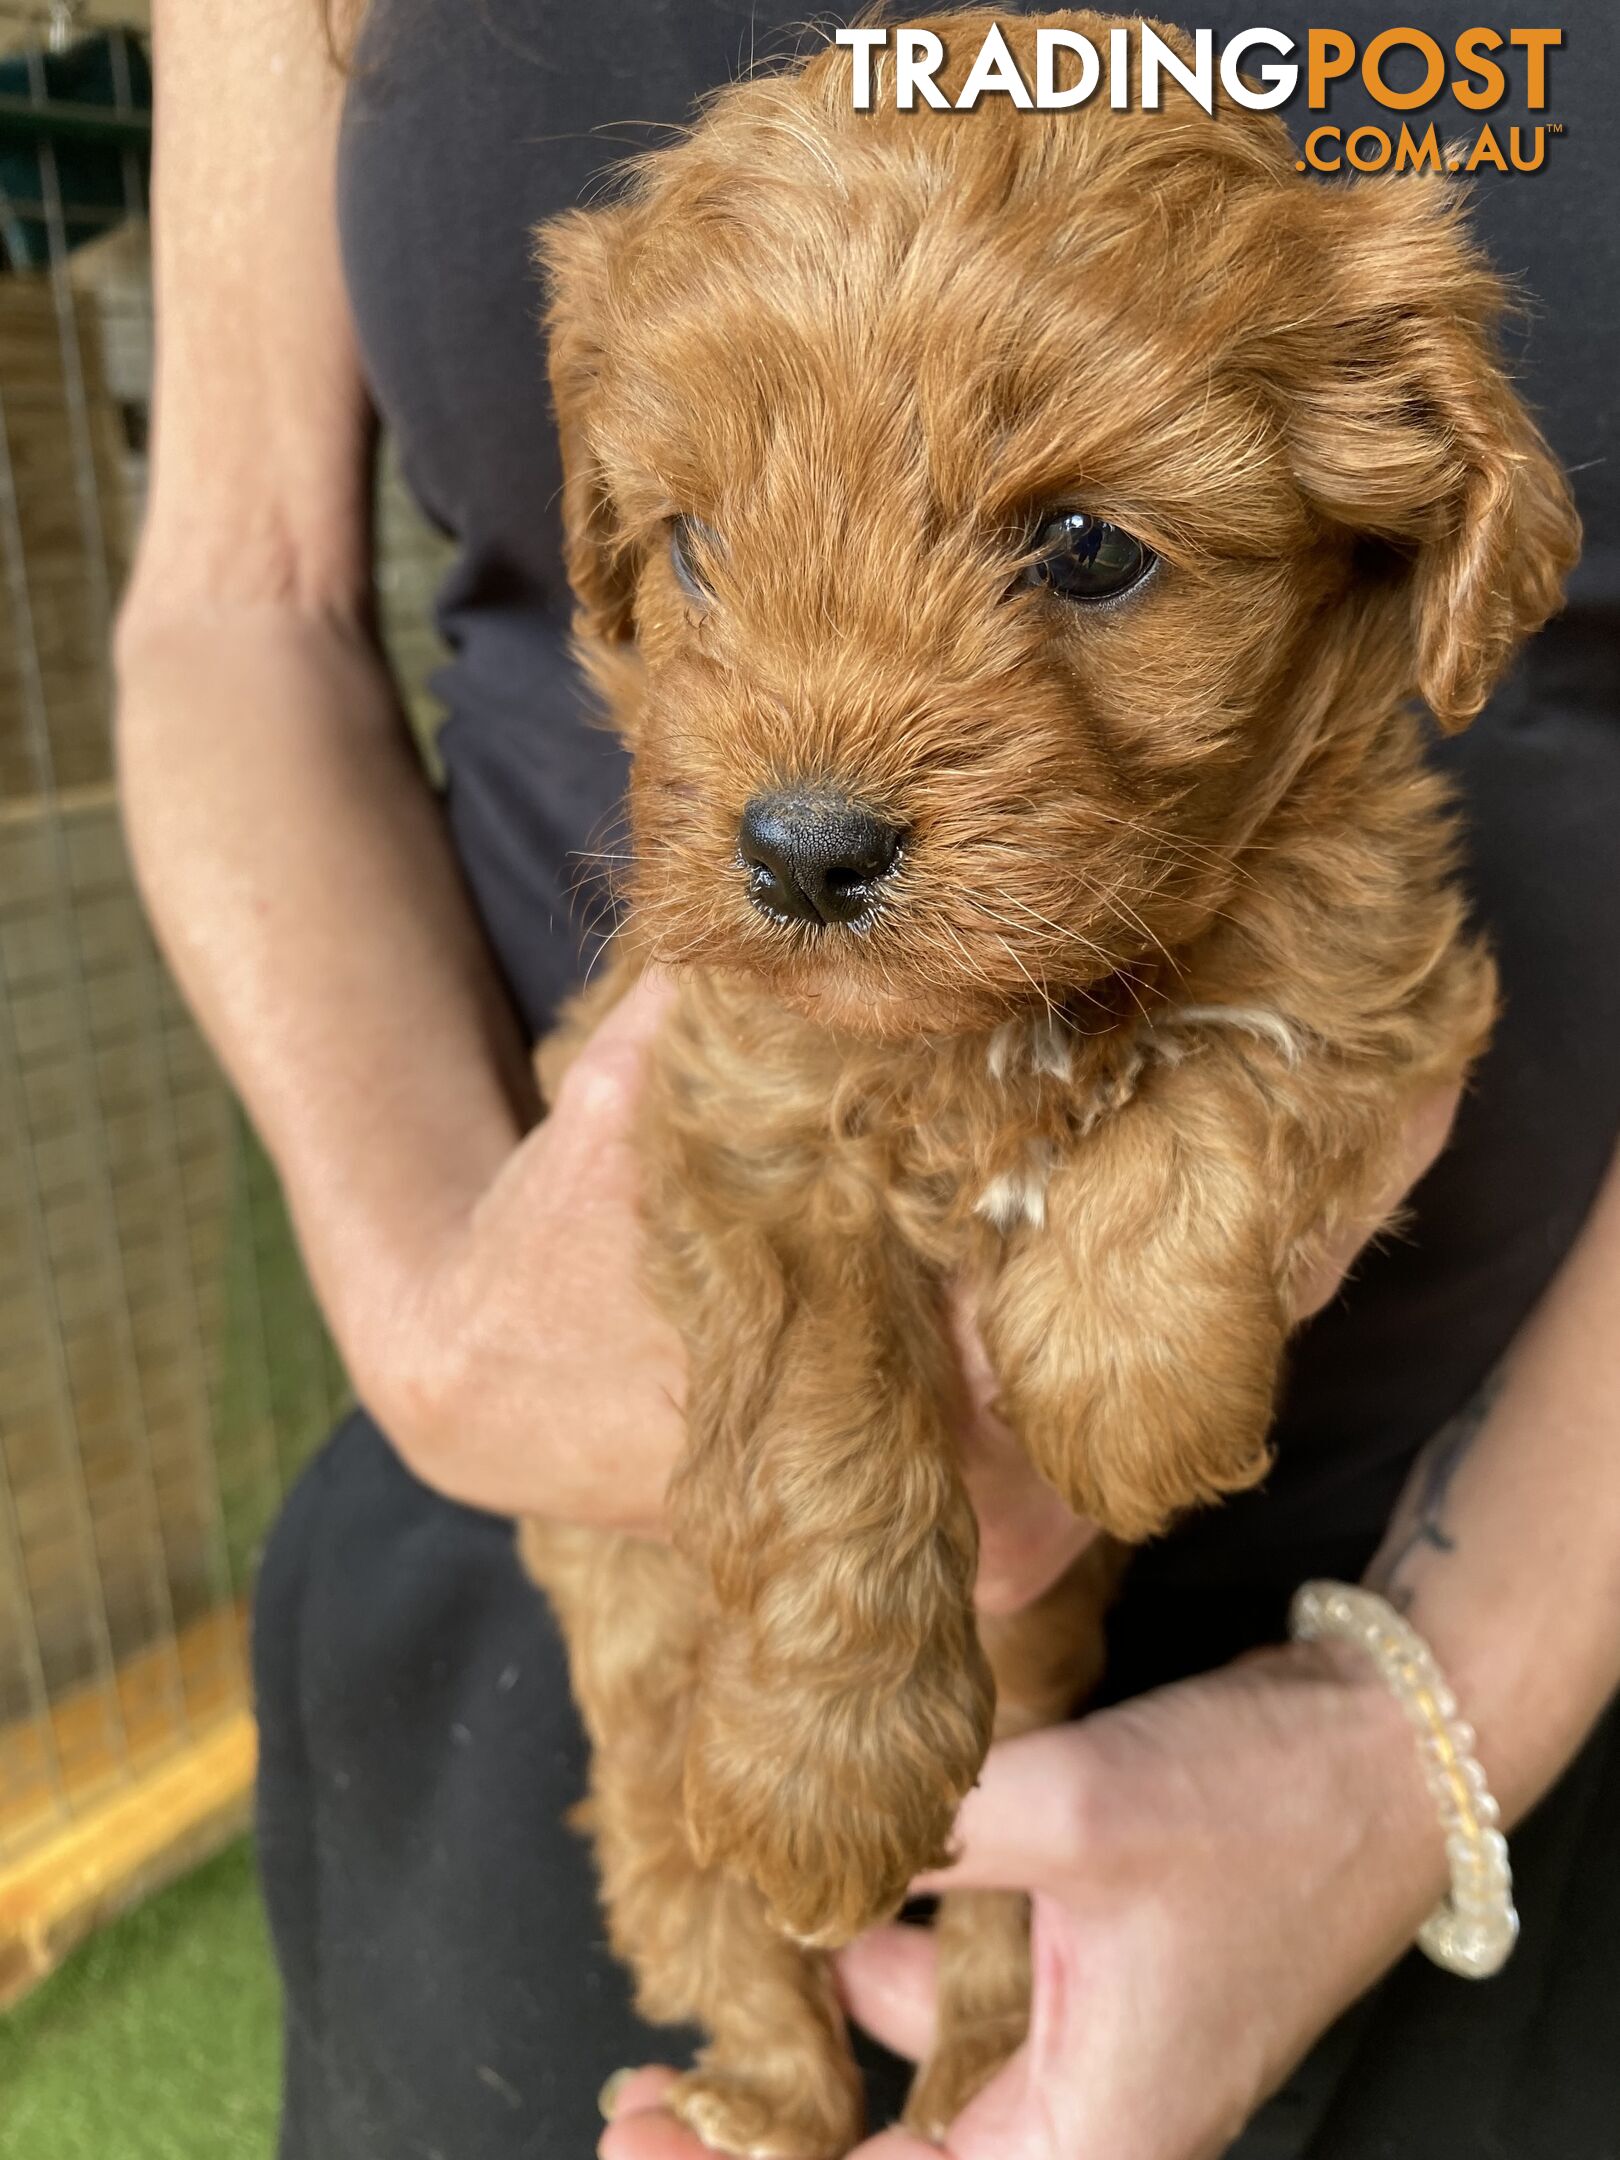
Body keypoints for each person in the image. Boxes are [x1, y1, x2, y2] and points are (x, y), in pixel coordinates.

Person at [114, 4, 1620, 2156]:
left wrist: (1423, 1733)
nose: (818, 782)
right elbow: (237, 601)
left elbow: (1365, 1001)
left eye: (1085, 556)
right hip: (582, 1534)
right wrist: (441, 1334)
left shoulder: (1364, 598)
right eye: (705, 552)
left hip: (1500, 1550)